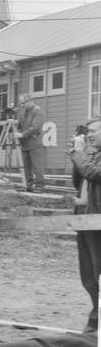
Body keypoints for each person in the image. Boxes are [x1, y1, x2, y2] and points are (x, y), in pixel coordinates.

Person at [67, 117, 101, 333]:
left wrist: (77, 153)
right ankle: (96, 311)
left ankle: (96, 316)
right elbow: (78, 181)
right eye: (87, 131)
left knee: (99, 269)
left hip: (98, 221)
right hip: (85, 218)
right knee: (87, 272)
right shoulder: (92, 155)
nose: (89, 134)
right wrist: (78, 155)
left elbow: (95, 174)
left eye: (94, 130)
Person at [16, 94, 47, 192]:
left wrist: (22, 134)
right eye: (21, 103)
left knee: (37, 166)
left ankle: (39, 186)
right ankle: (27, 185)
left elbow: (35, 127)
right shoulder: (24, 112)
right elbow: (20, 125)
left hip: (34, 143)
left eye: (23, 103)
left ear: (30, 101)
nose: (22, 105)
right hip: (24, 144)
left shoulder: (38, 111)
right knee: (25, 166)